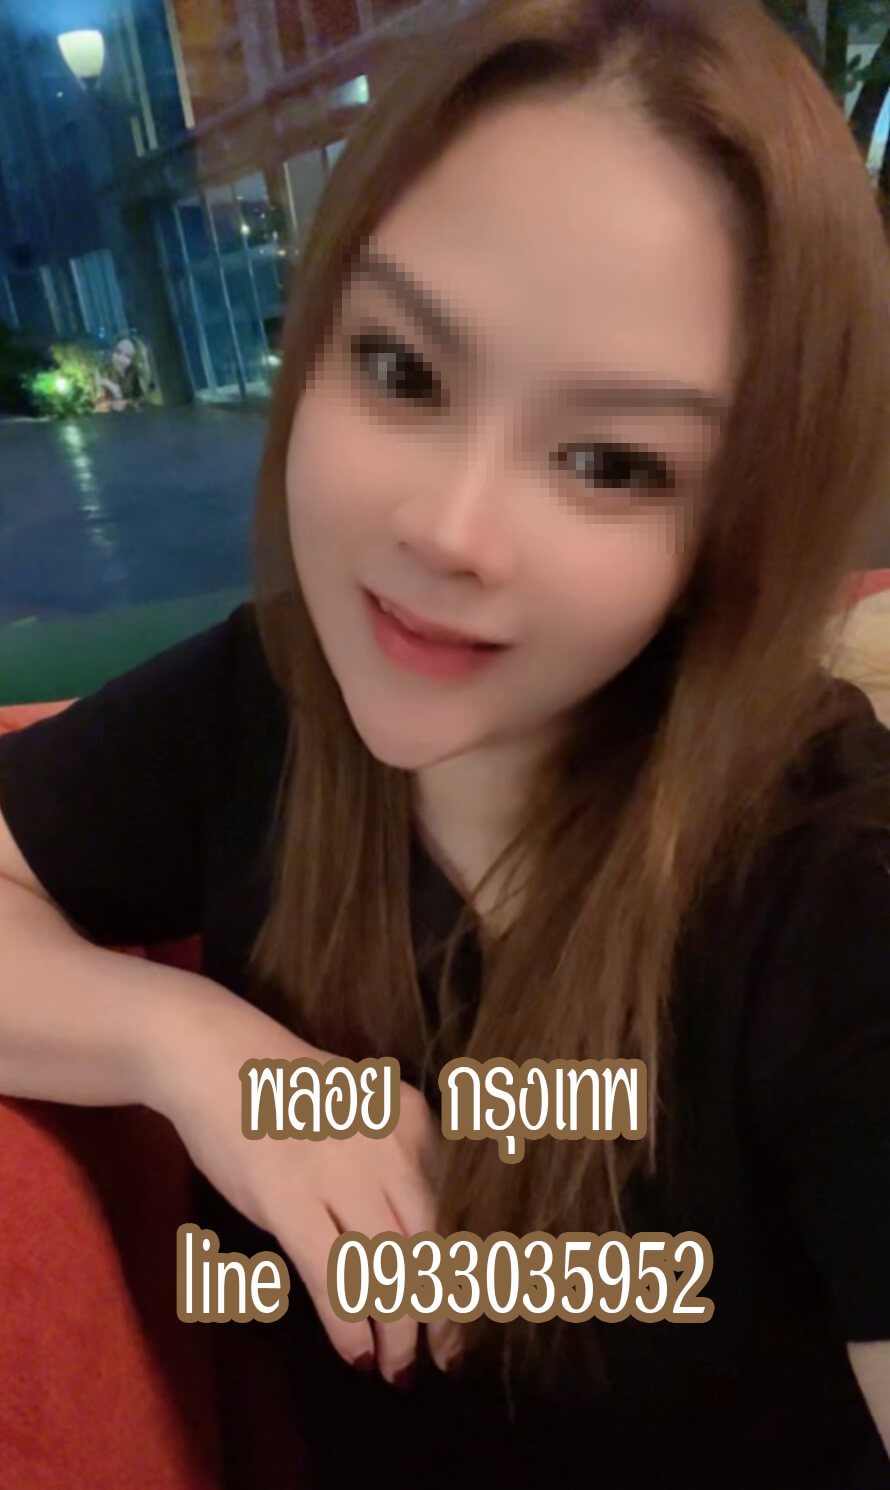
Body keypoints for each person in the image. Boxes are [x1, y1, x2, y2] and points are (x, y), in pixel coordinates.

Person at [1, 0, 889, 1485]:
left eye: (607, 460)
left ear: (732, 522)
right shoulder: (269, 703)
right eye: (403, 372)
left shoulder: (834, 887)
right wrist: (200, 1052)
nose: (449, 529)